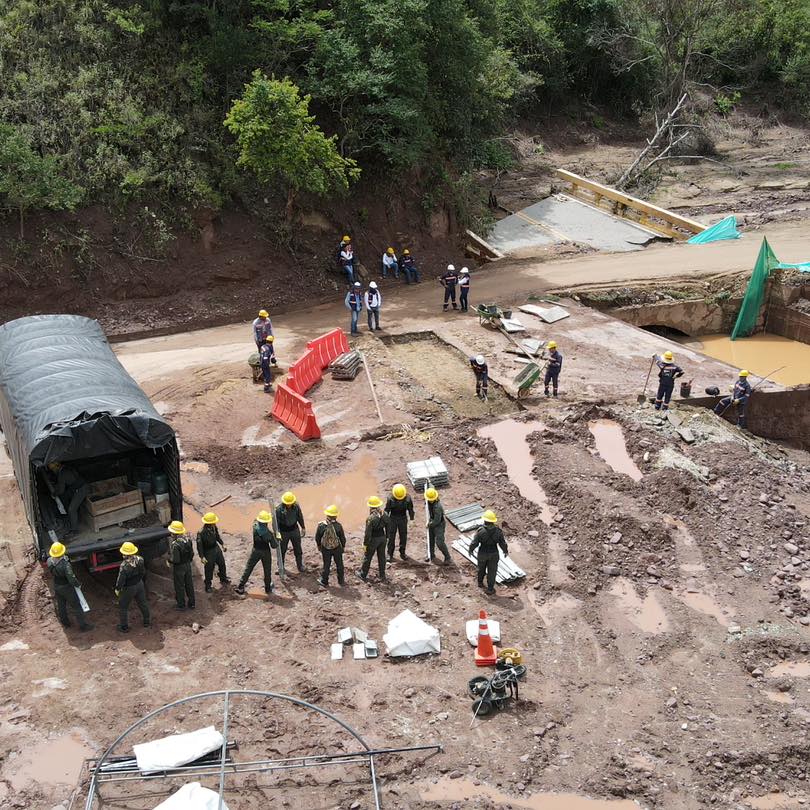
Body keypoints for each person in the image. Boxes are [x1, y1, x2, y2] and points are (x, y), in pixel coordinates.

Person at [47, 542, 92, 631]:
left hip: (56, 585)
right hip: (66, 587)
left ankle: (65, 622)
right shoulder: (65, 565)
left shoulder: (49, 561)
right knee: (76, 606)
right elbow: (71, 579)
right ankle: (83, 626)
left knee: (61, 605)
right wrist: (78, 584)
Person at [235, 510, 279, 595]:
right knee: (267, 570)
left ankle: (241, 586)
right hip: (265, 552)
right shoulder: (268, 534)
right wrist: (277, 538)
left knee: (249, 567)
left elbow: (255, 520)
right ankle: (268, 588)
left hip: (255, 550)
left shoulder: (254, 526)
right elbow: (274, 546)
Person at [469, 510, 508, 595]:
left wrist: (471, 550)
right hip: (494, 554)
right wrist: (505, 551)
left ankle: (480, 583)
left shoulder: (481, 531)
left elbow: (474, 543)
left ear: (485, 521)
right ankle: (490, 589)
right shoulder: (498, 531)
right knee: (492, 571)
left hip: (483, 553)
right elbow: (502, 543)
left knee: (481, 569)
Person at [115, 541, 151, 633]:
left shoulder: (124, 566)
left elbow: (121, 581)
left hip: (129, 589)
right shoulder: (140, 560)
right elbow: (143, 572)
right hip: (139, 585)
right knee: (143, 603)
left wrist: (118, 589)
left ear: (124, 554)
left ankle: (124, 627)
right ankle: (147, 621)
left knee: (123, 607)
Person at [45, 462, 88, 533]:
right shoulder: (66, 468)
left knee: (71, 509)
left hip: (81, 489)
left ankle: (74, 529)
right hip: (80, 486)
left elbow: (61, 490)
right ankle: (73, 519)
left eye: (53, 469)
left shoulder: (61, 474)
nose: (53, 471)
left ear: (56, 467)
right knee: (67, 498)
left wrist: (54, 494)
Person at [358, 496, 390, 583]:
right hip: (382, 538)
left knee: (368, 557)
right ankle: (382, 575)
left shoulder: (371, 518)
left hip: (374, 539)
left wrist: (365, 544)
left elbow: (368, 533)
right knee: (382, 557)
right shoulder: (385, 514)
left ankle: (363, 574)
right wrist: (387, 537)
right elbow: (388, 526)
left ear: (371, 507)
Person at [196, 512, 229, 593]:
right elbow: (199, 546)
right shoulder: (201, 532)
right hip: (208, 551)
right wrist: (202, 557)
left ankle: (223, 578)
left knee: (222, 563)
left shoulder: (214, 527)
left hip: (216, 548)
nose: (215, 523)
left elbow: (217, 536)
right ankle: (208, 585)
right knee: (209, 568)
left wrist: (222, 544)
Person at [315, 504, 347, 588]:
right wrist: (343, 546)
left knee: (326, 565)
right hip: (337, 548)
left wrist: (319, 546)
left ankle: (324, 581)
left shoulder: (321, 525)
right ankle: (341, 580)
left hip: (325, 549)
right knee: (339, 564)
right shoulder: (338, 526)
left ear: (327, 515)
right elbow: (343, 538)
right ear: (336, 516)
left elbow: (317, 537)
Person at [275, 491, 306, 574]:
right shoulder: (278, 510)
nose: (289, 505)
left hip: (294, 530)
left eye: (290, 503)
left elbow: (300, 517)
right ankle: (280, 567)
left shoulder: (296, 507)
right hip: (283, 532)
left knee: (298, 549)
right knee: (282, 550)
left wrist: (303, 527)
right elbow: (275, 523)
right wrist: (277, 533)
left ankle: (300, 565)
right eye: (287, 503)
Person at [167, 520, 195, 610]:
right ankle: (192, 603)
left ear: (174, 533)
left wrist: (169, 561)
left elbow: (176, 559)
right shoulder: (188, 540)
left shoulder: (175, 545)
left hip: (179, 568)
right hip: (188, 565)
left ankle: (181, 605)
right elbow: (192, 554)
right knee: (189, 584)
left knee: (179, 586)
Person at [385, 484, 415, 561]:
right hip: (392, 519)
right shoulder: (390, 498)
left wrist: (412, 519)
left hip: (403, 518)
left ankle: (402, 553)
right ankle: (389, 553)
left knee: (403, 536)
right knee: (391, 537)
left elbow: (410, 509)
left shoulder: (408, 498)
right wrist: (385, 520)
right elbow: (387, 510)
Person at [425, 487, 451, 564]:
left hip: (439, 525)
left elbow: (437, 520)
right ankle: (431, 555)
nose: (430, 500)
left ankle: (447, 557)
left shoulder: (437, 507)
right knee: (430, 540)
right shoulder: (428, 501)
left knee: (439, 542)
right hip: (432, 521)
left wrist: (429, 524)